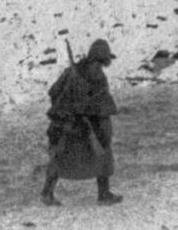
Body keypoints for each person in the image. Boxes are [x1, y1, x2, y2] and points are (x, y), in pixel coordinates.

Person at [41, 38, 121, 206]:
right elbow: (57, 92)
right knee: (101, 154)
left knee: (61, 157)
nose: (101, 66)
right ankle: (103, 194)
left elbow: (54, 91)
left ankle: (47, 193)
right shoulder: (94, 76)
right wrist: (73, 104)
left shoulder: (73, 70)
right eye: (102, 61)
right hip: (76, 125)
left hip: (75, 125)